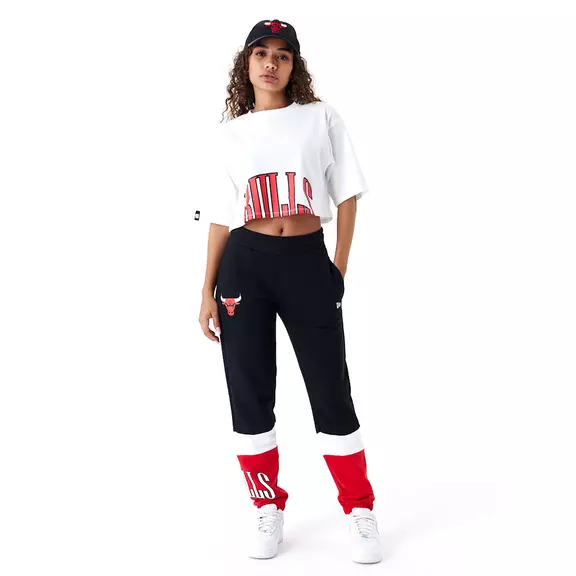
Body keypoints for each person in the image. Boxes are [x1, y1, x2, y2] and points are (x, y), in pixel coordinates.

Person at [198, 19, 382, 564]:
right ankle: (266, 505)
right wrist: (206, 291)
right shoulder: (230, 134)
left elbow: (346, 195)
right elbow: (219, 216)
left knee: (331, 389)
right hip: (244, 267)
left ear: (294, 65)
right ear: (246, 63)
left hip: (306, 263)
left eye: (282, 55)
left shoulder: (320, 118)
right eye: (261, 53)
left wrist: (337, 269)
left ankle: (359, 508)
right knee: (249, 389)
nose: (271, 63)